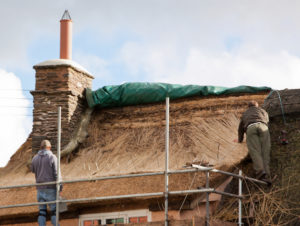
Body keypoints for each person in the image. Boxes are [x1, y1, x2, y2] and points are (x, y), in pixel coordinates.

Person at [237, 100, 271, 184]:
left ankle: (260, 172)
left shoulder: (245, 113)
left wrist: (240, 140)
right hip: (263, 127)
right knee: (265, 150)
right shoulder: (262, 111)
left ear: (249, 106)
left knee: (255, 151)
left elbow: (240, 128)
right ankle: (267, 174)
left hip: (251, 128)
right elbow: (267, 119)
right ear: (257, 105)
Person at [31, 140, 62, 226]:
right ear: (49, 147)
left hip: (40, 189)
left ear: (40, 147)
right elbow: (57, 174)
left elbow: (32, 170)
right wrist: (60, 187)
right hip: (50, 188)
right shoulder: (52, 157)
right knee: (53, 211)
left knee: (42, 212)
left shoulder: (35, 158)